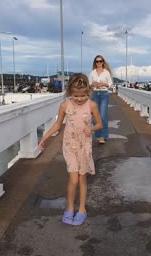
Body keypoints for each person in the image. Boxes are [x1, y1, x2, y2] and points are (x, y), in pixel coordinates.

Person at [38, 73, 102, 226]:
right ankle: (69, 208)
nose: (80, 99)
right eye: (76, 96)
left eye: (83, 95)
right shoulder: (65, 105)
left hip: (85, 146)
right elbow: (57, 125)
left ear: (88, 92)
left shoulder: (92, 105)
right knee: (73, 178)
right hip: (69, 145)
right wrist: (44, 138)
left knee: (82, 178)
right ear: (69, 93)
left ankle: (81, 209)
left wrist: (91, 129)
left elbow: (100, 124)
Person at [88, 55, 113, 144]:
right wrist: (94, 84)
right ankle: (98, 135)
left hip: (104, 94)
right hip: (95, 94)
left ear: (103, 62)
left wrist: (103, 84)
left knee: (103, 115)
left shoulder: (106, 72)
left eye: (100, 61)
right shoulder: (92, 73)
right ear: (95, 63)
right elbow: (89, 84)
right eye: (97, 61)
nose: (99, 63)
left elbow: (110, 84)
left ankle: (103, 136)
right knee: (95, 115)